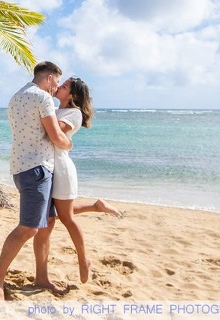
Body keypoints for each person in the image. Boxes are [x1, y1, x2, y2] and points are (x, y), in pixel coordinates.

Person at [0, 61, 72, 300]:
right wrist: (69, 144)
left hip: (20, 166)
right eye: (56, 82)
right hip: (37, 169)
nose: (56, 88)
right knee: (29, 227)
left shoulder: (16, 97)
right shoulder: (42, 98)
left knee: (46, 225)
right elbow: (55, 136)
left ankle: (42, 277)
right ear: (48, 79)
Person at [53, 77, 121, 284]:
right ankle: (95, 205)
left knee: (66, 218)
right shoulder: (54, 110)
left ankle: (83, 260)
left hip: (62, 170)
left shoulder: (74, 114)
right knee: (52, 217)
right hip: (49, 168)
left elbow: (54, 131)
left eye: (63, 87)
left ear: (72, 96)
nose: (58, 87)